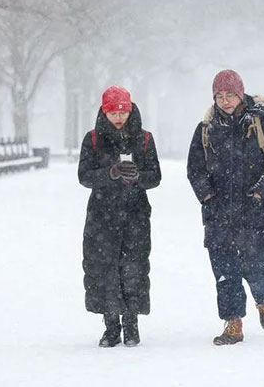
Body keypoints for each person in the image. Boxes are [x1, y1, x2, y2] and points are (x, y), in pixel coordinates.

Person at [187, 69, 264, 345]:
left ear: (241, 93)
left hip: (253, 214)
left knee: (258, 269)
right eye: (220, 96)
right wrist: (207, 197)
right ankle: (233, 324)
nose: (226, 100)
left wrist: (258, 193)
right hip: (218, 217)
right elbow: (194, 170)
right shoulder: (205, 129)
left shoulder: (262, 125)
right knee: (225, 273)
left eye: (230, 94)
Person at [78, 85, 161, 347]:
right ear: (104, 111)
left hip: (135, 216)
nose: (118, 117)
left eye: (122, 111)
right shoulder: (92, 139)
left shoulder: (144, 139)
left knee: (134, 269)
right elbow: (84, 176)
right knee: (103, 269)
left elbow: (155, 176)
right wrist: (109, 174)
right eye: (112, 112)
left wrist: (138, 177)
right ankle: (111, 326)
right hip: (101, 217)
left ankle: (132, 323)